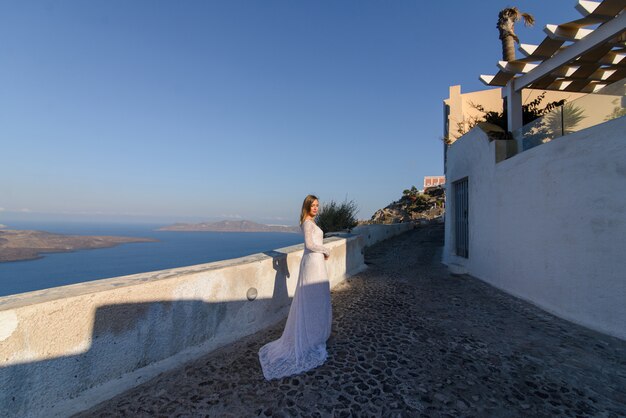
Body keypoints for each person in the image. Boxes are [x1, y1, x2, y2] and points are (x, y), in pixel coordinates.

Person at [258, 194, 332, 380]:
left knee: (315, 299)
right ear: (306, 206)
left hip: (314, 262)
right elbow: (309, 244)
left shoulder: (311, 222)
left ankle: (314, 335)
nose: (316, 208)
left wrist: (320, 252)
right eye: (313, 205)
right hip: (312, 264)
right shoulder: (307, 223)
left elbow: (312, 246)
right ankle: (310, 337)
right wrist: (325, 249)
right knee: (312, 300)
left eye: (317, 205)